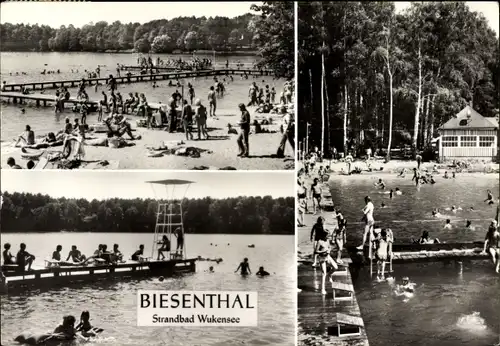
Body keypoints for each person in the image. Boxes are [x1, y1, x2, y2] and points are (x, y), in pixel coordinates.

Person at [315, 230, 338, 295]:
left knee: (336, 267)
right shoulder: (320, 242)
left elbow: (329, 247)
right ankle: (322, 289)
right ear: (324, 235)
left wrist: (329, 249)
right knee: (324, 273)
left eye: (329, 236)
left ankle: (329, 274)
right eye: (327, 236)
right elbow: (316, 251)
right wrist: (323, 251)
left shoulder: (327, 240)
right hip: (322, 258)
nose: (328, 237)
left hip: (327, 256)